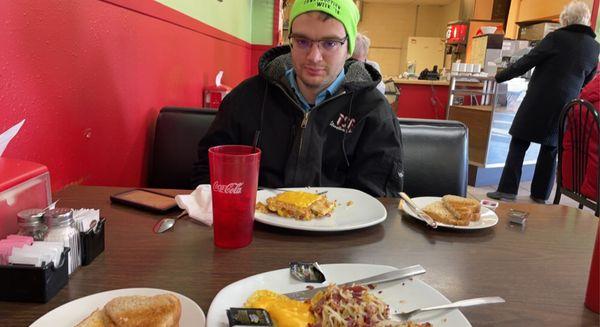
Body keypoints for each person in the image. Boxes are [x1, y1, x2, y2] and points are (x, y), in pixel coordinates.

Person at [191, 0, 403, 197]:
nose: (314, 57)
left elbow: (379, 198)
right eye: (302, 41)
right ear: (290, 41)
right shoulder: (246, 98)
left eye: (329, 43)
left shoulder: (374, 112)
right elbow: (207, 174)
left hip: (339, 234)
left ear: (348, 48)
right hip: (256, 230)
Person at [487, 0, 599, 204]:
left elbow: (528, 60)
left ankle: (508, 190)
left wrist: (500, 76)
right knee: (551, 149)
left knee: (519, 142)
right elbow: (589, 79)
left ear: (566, 19)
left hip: (539, 100)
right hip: (565, 105)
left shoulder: (557, 37)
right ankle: (539, 195)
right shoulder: (594, 47)